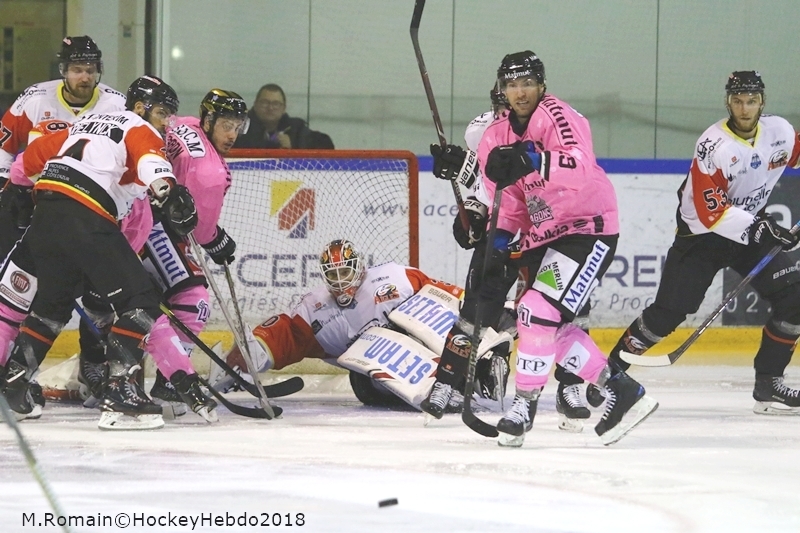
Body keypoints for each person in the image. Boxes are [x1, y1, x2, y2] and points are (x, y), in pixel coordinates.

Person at [434, 51, 658, 447]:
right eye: (511, 84)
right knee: (548, 328)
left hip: (589, 227)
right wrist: (496, 252)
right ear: (502, 90)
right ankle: (622, 391)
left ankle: (523, 407)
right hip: (545, 235)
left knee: (535, 311)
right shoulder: (492, 139)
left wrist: (531, 158)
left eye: (527, 83)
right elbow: (510, 205)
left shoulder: (560, 116)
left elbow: (579, 166)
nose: (519, 92)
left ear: (541, 85)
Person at [0, 76, 202, 431]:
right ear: (140, 108)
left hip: (45, 213)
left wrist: (16, 190)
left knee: (51, 307)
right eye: (163, 113)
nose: (166, 123)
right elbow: (152, 163)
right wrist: (169, 192)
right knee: (140, 302)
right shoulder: (139, 127)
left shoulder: (85, 124)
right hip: (86, 213)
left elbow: (30, 158)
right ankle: (122, 398)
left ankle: (13, 389)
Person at [606, 71, 800, 415]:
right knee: (666, 315)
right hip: (702, 236)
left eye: (752, 101)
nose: (744, 108)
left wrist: (759, 228)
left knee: (795, 296)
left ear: (762, 102)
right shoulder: (714, 146)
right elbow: (713, 214)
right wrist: (762, 228)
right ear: (728, 101)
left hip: (748, 229)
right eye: (738, 101)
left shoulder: (779, 132)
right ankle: (609, 373)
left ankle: (768, 383)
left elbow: (795, 153)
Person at [423, 82, 596, 433]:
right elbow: (481, 194)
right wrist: (465, 193)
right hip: (507, 225)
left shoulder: (554, 121)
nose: (510, 108)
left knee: (565, 310)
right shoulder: (482, 131)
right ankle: (447, 381)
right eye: (502, 102)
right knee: (475, 309)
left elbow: (573, 168)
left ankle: (571, 386)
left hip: (553, 228)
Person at [208, 239, 496, 409]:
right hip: (372, 379)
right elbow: (282, 336)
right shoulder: (315, 309)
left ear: (359, 267)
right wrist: (242, 360)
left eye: (345, 271)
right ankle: (439, 388)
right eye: (333, 275)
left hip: (422, 348)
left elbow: (442, 297)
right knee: (371, 377)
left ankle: (476, 368)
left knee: (429, 327)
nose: (341, 280)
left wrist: (484, 314)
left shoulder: (394, 277)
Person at [0, 36, 126, 418]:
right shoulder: (34, 100)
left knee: (99, 297)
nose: (83, 76)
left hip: (93, 217)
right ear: (63, 71)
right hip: (37, 217)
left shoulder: (116, 104)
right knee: (22, 298)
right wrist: (7, 192)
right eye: (76, 68)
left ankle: (93, 366)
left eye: (90, 69)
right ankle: (13, 372)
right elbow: (5, 147)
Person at [134, 89, 248, 419]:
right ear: (209, 120)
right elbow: (198, 231)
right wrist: (216, 242)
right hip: (151, 225)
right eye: (227, 124)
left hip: (130, 216)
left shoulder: (184, 123)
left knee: (140, 302)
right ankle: (171, 379)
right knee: (192, 302)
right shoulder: (212, 172)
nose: (232, 134)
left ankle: (114, 372)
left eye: (238, 126)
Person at [233, 83, 333, 150]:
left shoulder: (296, 128)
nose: (270, 108)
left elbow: (326, 145)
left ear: (284, 108)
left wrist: (293, 147)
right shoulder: (239, 128)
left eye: (276, 104)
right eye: (265, 102)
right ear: (255, 105)